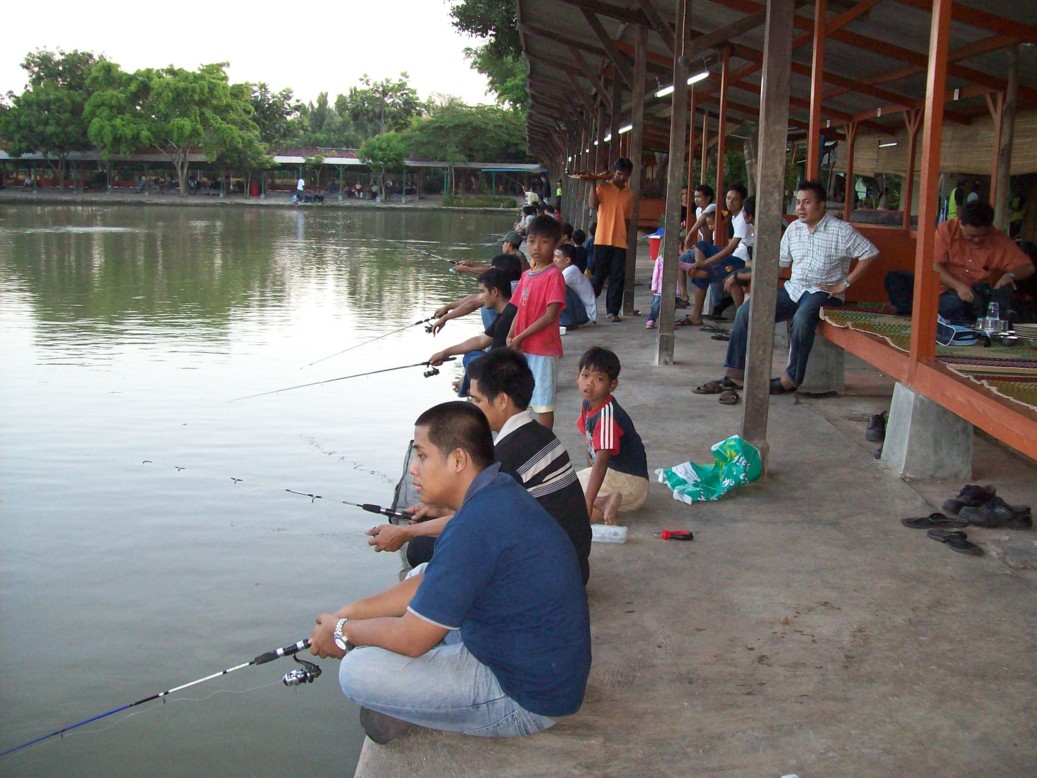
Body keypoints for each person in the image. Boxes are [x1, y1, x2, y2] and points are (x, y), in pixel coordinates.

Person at [310, 402, 590, 744]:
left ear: (458, 460)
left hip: (524, 696)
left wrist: (342, 631)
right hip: (541, 665)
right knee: (426, 571)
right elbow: (430, 581)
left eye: (422, 456)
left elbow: (412, 639)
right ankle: (423, 699)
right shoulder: (498, 490)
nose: (413, 469)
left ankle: (424, 710)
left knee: (356, 671)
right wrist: (350, 613)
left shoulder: (475, 525)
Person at [367, 349, 593, 584]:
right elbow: (502, 511)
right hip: (573, 563)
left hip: (550, 577)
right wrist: (441, 510)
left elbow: (475, 522)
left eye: (476, 400)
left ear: (502, 400)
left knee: (420, 548)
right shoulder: (539, 436)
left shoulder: (505, 458)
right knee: (429, 528)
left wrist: (405, 532)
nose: (472, 408)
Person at [694, 180, 880, 404]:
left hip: (823, 292)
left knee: (802, 319)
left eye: (807, 202)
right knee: (746, 311)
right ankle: (735, 375)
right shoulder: (793, 229)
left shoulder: (841, 230)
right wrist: (748, 281)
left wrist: (845, 284)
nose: (800, 208)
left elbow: (870, 252)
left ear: (821, 206)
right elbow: (778, 264)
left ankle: (791, 379)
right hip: (794, 289)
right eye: (799, 202)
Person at [575, 347, 649, 526]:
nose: (589, 383)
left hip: (629, 482)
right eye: (585, 376)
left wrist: (587, 500)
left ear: (612, 385)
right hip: (618, 479)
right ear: (577, 376)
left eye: (598, 379)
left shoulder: (607, 415)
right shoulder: (588, 405)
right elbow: (590, 443)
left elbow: (601, 460)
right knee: (565, 485)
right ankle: (602, 502)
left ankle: (595, 504)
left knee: (564, 486)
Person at [507, 214, 566, 430]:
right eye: (532, 241)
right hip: (524, 347)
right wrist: (512, 333)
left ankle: (545, 445)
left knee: (543, 402)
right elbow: (518, 309)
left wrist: (520, 336)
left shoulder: (554, 276)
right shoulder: (526, 275)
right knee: (525, 398)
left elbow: (550, 316)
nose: (536, 247)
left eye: (544, 241)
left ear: (555, 244)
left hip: (543, 349)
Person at [933, 200, 1034, 322]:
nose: (977, 240)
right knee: (954, 304)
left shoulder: (998, 239)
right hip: (945, 291)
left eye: (982, 236)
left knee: (1010, 308)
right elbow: (934, 265)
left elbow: (1028, 267)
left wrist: (1010, 275)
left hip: (981, 296)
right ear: (961, 224)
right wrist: (958, 286)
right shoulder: (946, 230)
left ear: (990, 228)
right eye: (971, 236)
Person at [428, 268, 517, 397]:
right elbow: (481, 341)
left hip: (508, 368)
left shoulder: (508, 317)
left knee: (473, 363)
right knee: (471, 354)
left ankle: (470, 390)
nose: (481, 297)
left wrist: (468, 377)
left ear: (495, 292)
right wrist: (445, 353)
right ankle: (470, 386)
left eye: (483, 292)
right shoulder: (506, 312)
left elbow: (493, 358)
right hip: (501, 362)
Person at [677, 185, 753, 326]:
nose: (730, 202)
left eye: (735, 199)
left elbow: (730, 249)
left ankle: (701, 275)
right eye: (728, 198)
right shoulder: (733, 217)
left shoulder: (742, 218)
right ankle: (702, 274)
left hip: (740, 259)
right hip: (735, 257)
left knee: (702, 251)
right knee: (702, 251)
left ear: (742, 201)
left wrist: (704, 263)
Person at [588, 157, 635, 322]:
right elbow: (593, 205)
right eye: (619, 174)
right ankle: (586, 304)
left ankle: (612, 311)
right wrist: (593, 183)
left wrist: (627, 238)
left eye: (625, 175)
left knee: (617, 276)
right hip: (602, 239)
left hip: (620, 241)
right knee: (599, 276)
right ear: (614, 173)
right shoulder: (603, 188)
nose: (622, 178)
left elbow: (627, 219)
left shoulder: (629, 194)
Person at [431, 253, 523, 335]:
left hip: (500, 340)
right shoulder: (518, 284)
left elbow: (472, 304)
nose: (489, 270)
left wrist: (445, 318)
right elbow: (473, 298)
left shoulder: (506, 288)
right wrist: (448, 307)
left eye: (493, 269)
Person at [553, 244, 596, 328]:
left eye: (557, 257)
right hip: (580, 310)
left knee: (559, 287)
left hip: (584, 314)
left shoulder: (571, 270)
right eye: (554, 257)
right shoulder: (566, 270)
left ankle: (567, 321)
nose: (554, 260)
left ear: (567, 260)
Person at [454, 231, 528, 276]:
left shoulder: (512, 258)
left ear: (509, 243)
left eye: (503, 243)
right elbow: (493, 267)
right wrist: (470, 264)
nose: (502, 246)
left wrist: (466, 269)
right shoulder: (517, 254)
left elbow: (492, 271)